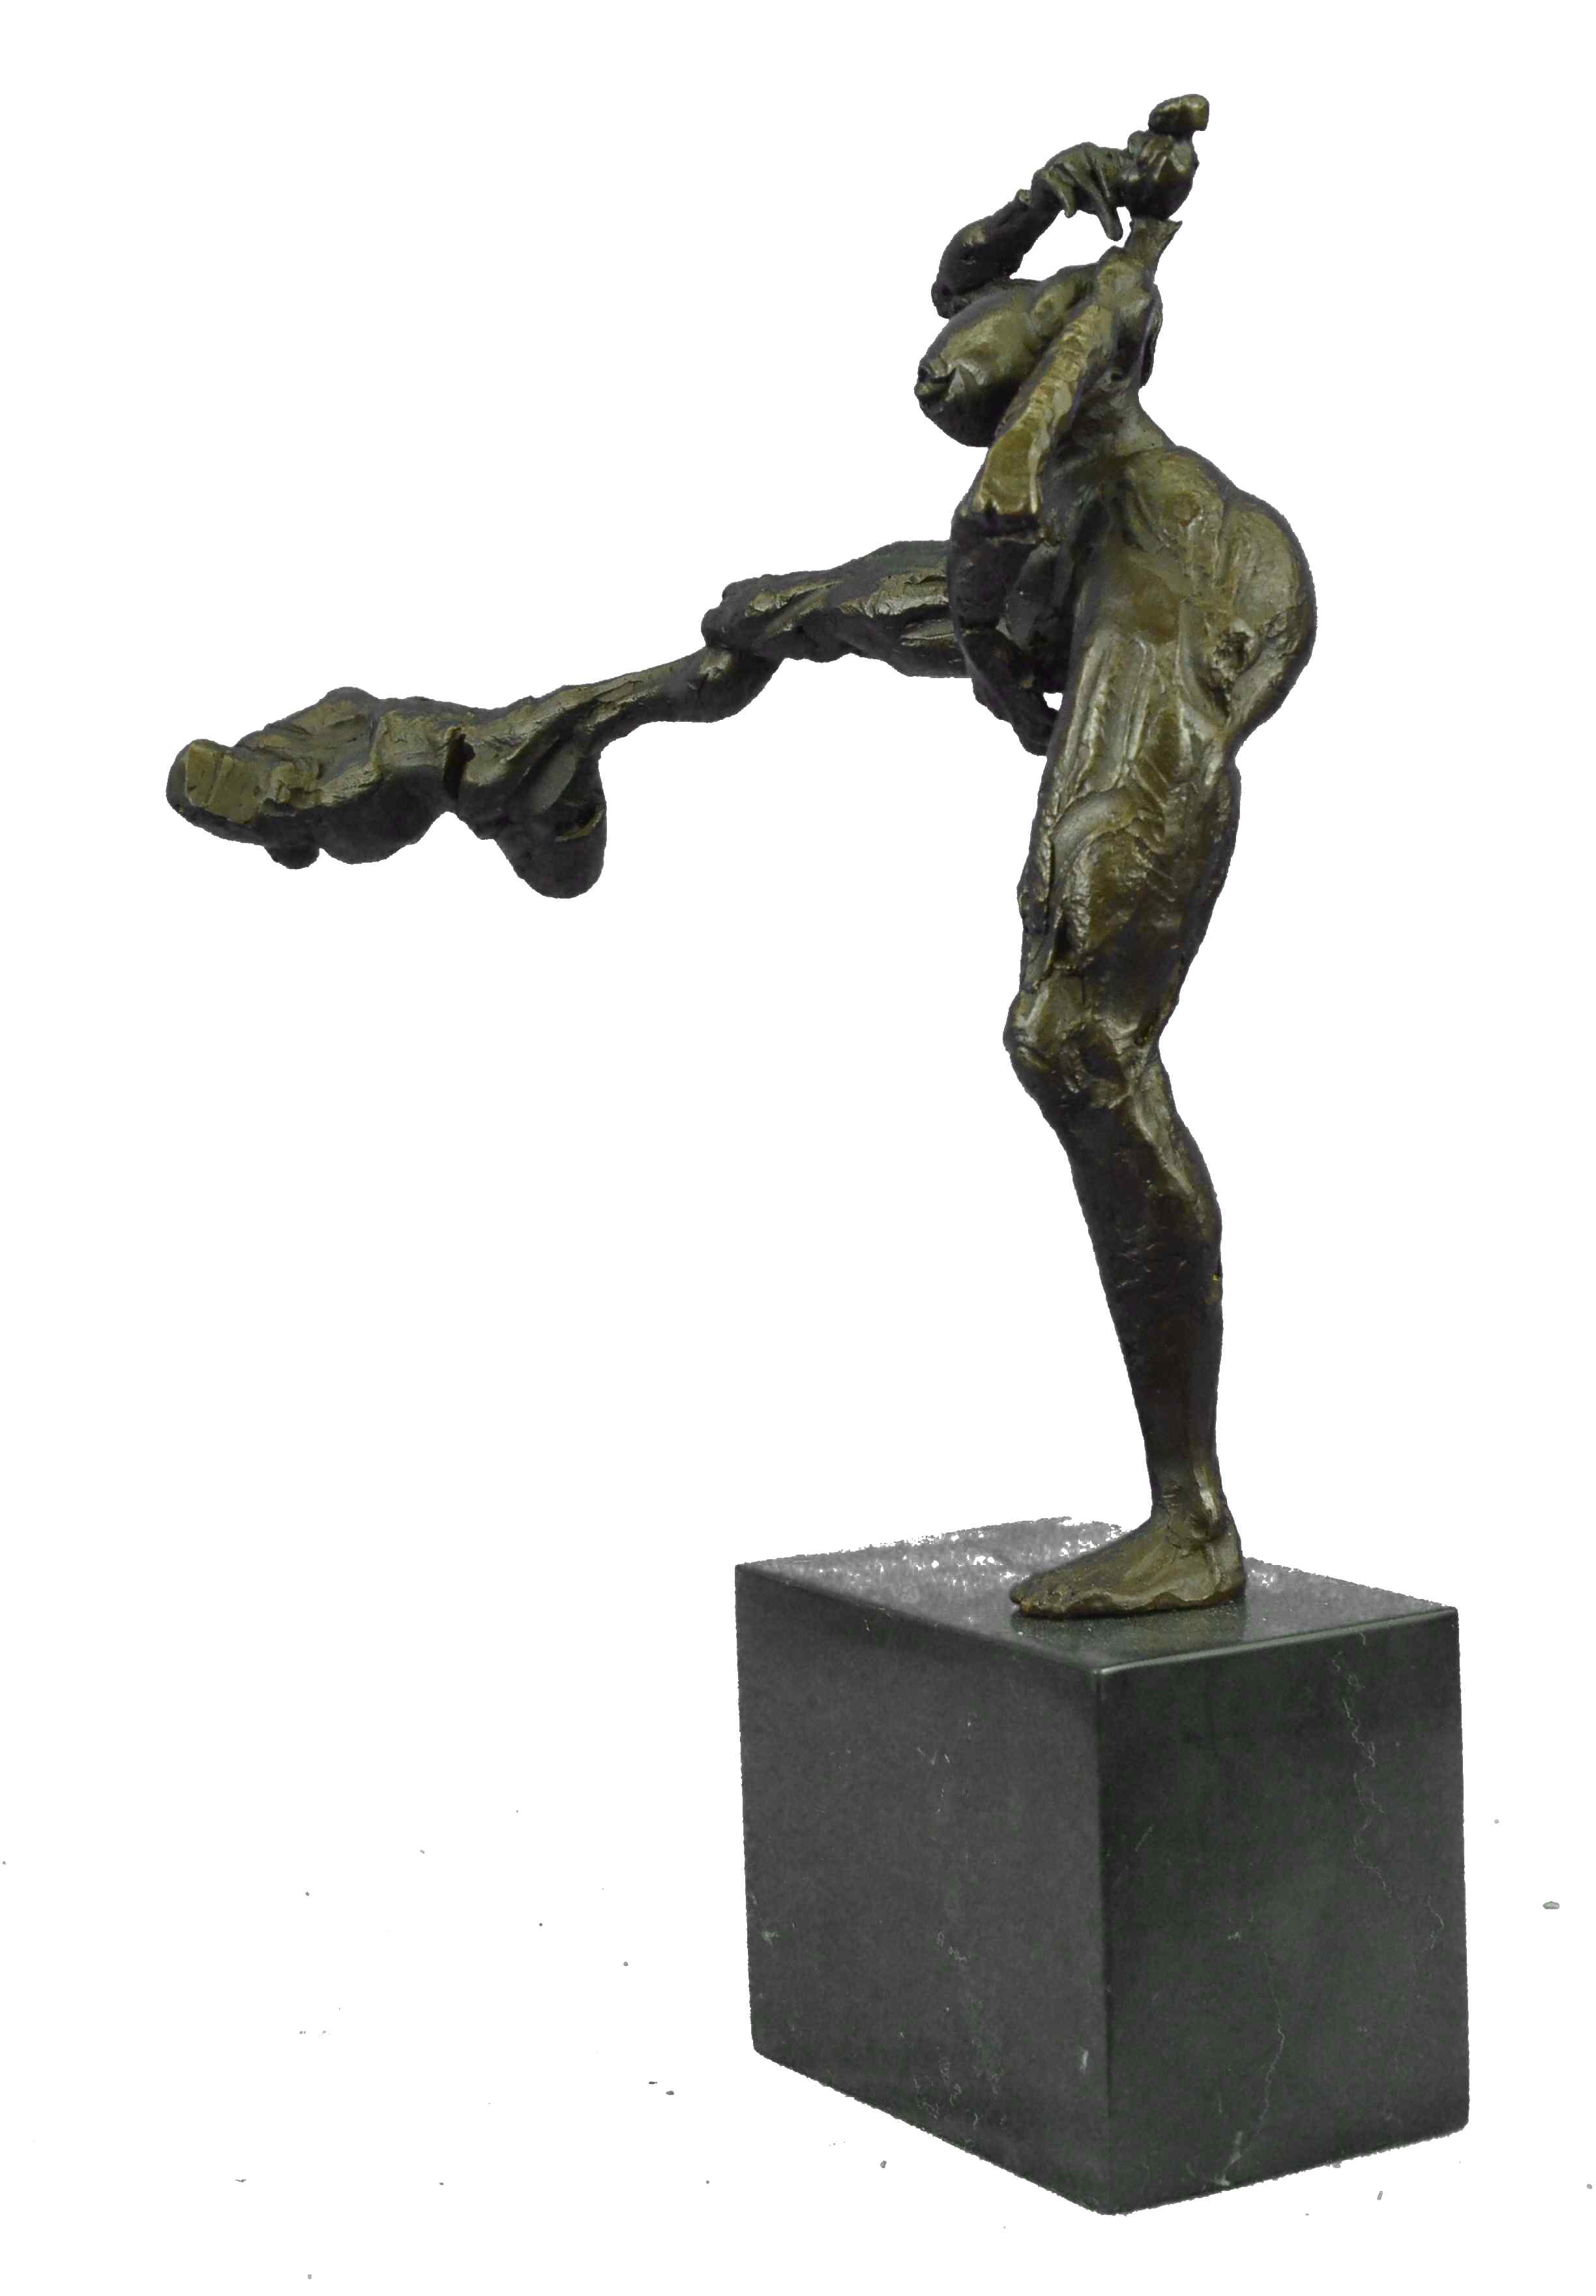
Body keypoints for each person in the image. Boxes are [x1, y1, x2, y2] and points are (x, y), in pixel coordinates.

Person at [168, 96, 1314, 1617]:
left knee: (1077, 1040)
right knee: (764, 616)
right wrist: (1058, 188)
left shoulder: (1096, 323)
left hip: (1171, 577)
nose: (941, 373)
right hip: (1075, 563)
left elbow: (998, 502)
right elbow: (962, 280)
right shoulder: (1055, 276)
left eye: (967, 364)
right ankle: (498, 756)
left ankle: (1191, 1516)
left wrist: (995, 650)